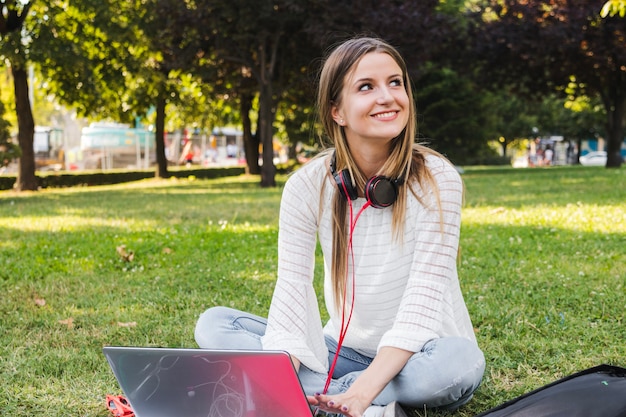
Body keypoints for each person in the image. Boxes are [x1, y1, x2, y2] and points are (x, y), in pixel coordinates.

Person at [194, 36, 485, 417]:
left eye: (395, 82)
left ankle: (336, 396)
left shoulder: (437, 178)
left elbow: (424, 299)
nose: (388, 96)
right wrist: (285, 377)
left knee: (458, 363)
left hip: (423, 354)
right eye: (366, 86)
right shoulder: (305, 185)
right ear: (337, 112)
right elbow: (292, 290)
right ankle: (348, 400)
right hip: (343, 352)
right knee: (215, 324)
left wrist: (364, 389)